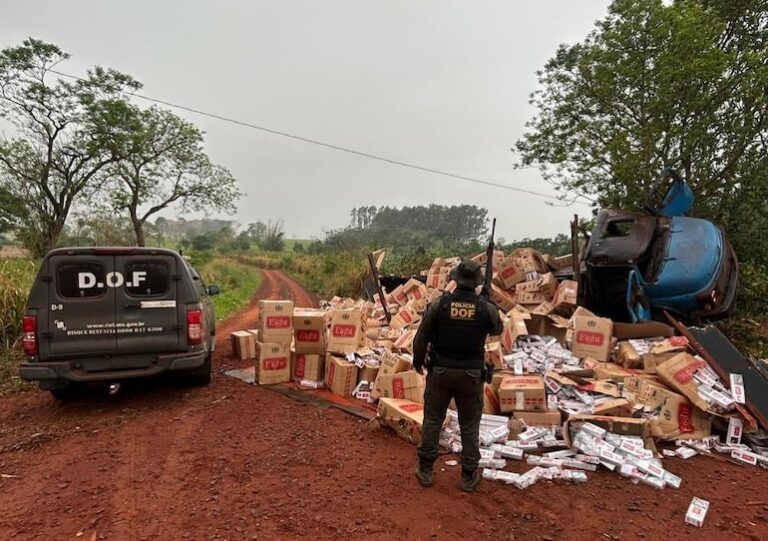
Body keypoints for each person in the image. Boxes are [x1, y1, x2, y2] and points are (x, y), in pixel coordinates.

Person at [412, 259, 503, 492]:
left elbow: (422, 337)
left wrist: (417, 362)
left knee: (433, 419)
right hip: (471, 375)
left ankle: (425, 469)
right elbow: (497, 329)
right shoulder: (485, 309)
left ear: (455, 279)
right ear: (476, 283)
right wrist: (488, 300)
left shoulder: (440, 304)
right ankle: (468, 475)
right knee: (469, 425)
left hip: (440, 372)